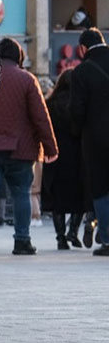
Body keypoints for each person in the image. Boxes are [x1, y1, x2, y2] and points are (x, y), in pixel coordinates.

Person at [0, 38, 58, 256]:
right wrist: (50, 147)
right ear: (20, 57)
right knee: (21, 194)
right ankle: (22, 240)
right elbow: (40, 117)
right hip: (21, 149)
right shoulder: (27, 80)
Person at [68, 27, 109, 256]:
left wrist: (77, 132)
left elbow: (77, 110)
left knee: (100, 188)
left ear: (83, 48)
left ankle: (107, 238)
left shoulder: (81, 72)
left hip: (96, 139)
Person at [43, 70, 89, 249]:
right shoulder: (79, 105)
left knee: (58, 199)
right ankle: (73, 231)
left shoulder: (50, 104)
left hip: (55, 155)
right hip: (78, 155)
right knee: (80, 196)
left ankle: (60, 237)